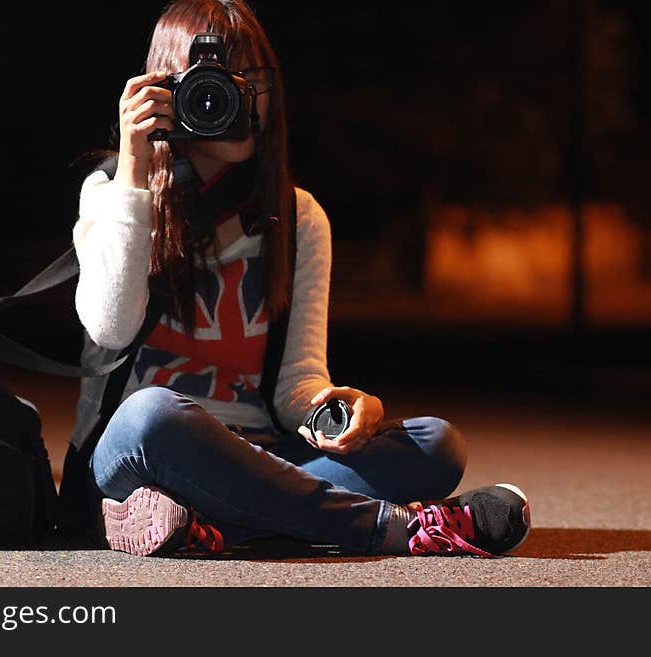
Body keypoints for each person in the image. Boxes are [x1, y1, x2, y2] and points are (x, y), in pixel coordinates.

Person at [67, 0, 531, 558]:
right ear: (166, 90)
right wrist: (138, 173)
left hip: (265, 453)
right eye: (215, 84)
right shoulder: (113, 193)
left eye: (251, 82)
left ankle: (203, 523)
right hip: (142, 451)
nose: (242, 102)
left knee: (436, 444)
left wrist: (335, 410)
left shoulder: (297, 216)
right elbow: (110, 329)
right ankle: (397, 528)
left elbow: (296, 388)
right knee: (151, 414)